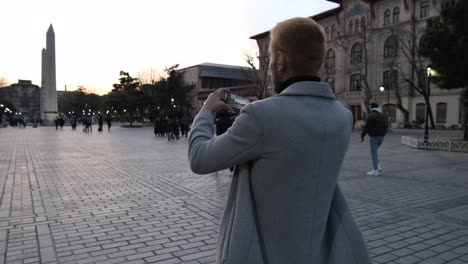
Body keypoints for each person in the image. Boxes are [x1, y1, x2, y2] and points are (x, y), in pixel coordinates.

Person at [188, 17, 371, 264]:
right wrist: (263, 113)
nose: (271, 65)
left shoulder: (262, 117)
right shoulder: (343, 117)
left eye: (272, 58)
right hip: (317, 252)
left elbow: (200, 158)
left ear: (282, 60)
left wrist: (206, 111)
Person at [361, 102, 388, 176]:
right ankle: (378, 167)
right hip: (381, 137)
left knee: (373, 154)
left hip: (374, 137)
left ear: (371, 107)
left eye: (369, 106)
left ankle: (375, 171)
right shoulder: (382, 115)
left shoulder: (371, 115)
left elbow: (367, 127)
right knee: (375, 153)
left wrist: (362, 135)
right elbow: (386, 125)